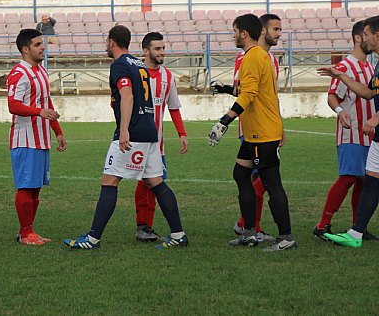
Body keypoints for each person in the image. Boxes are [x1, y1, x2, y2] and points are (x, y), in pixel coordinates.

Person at [64, 25, 188, 250]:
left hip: (134, 132)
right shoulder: (139, 64)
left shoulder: (119, 65)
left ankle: (92, 239)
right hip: (150, 131)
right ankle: (179, 234)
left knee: (109, 181)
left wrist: (124, 130)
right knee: (156, 182)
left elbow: (127, 95)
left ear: (111, 41)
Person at [207, 13, 296, 251]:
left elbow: (249, 95)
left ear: (244, 33)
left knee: (272, 183)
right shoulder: (258, 56)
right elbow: (249, 89)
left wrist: (224, 121)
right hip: (256, 131)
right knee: (240, 174)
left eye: (235, 31)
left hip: (262, 133)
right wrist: (226, 88)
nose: (233, 35)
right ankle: (249, 232)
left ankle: (286, 236)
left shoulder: (253, 57)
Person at [317, 15, 379, 248]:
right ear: (358, 37)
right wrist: (341, 110)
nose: (366, 39)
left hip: (371, 132)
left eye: (368, 34)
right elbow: (333, 95)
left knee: (366, 181)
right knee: (351, 177)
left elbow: (370, 94)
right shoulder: (345, 65)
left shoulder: (371, 66)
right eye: (363, 35)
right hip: (352, 131)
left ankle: (357, 228)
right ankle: (324, 225)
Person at [7, 29, 67, 245]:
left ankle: (29, 230)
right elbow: (13, 105)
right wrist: (39, 112)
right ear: (25, 49)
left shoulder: (41, 71)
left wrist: (57, 131)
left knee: (35, 188)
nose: (43, 48)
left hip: (41, 138)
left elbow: (46, 103)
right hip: (25, 139)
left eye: (43, 44)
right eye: (38, 44)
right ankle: (25, 234)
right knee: (26, 187)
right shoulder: (19, 73)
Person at [134, 32, 188, 242]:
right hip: (136, 140)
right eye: (157, 49)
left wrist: (182, 133)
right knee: (141, 183)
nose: (162, 52)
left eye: (163, 48)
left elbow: (173, 107)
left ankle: (144, 227)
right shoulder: (135, 73)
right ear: (145, 51)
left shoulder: (167, 76)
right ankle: (142, 226)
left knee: (150, 183)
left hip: (157, 144)